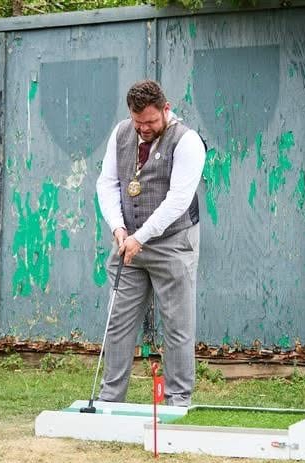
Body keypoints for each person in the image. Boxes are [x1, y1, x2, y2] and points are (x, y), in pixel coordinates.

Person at [96, 79, 206, 407]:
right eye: (137, 121)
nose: (143, 128)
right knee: (118, 322)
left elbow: (178, 200)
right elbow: (107, 183)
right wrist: (118, 228)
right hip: (127, 241)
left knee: (177, 327)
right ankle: (109, 399)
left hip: (173, 242)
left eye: (151, 122)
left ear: (166, 109)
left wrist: (139, 238)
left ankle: (177, 403)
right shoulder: (121, 133)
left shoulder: (187, 142)